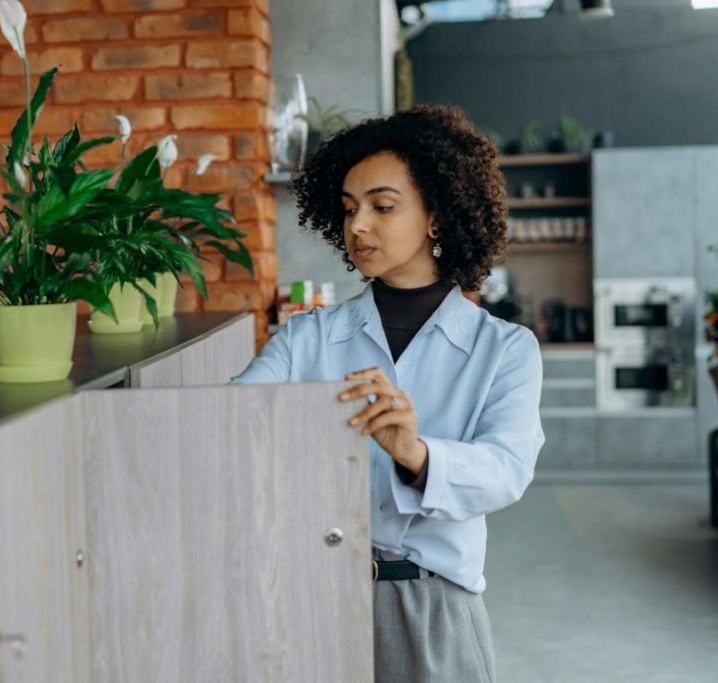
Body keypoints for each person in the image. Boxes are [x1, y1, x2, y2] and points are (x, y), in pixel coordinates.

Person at [231, 104, 545, 682]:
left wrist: (415, 453)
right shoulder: (308, 337)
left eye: (382, 206)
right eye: (349, 209)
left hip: (435, 607)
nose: (358, 227)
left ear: (435, 216)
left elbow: (507, 469)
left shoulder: (505, 349)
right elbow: (231, 421)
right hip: (318, 599)